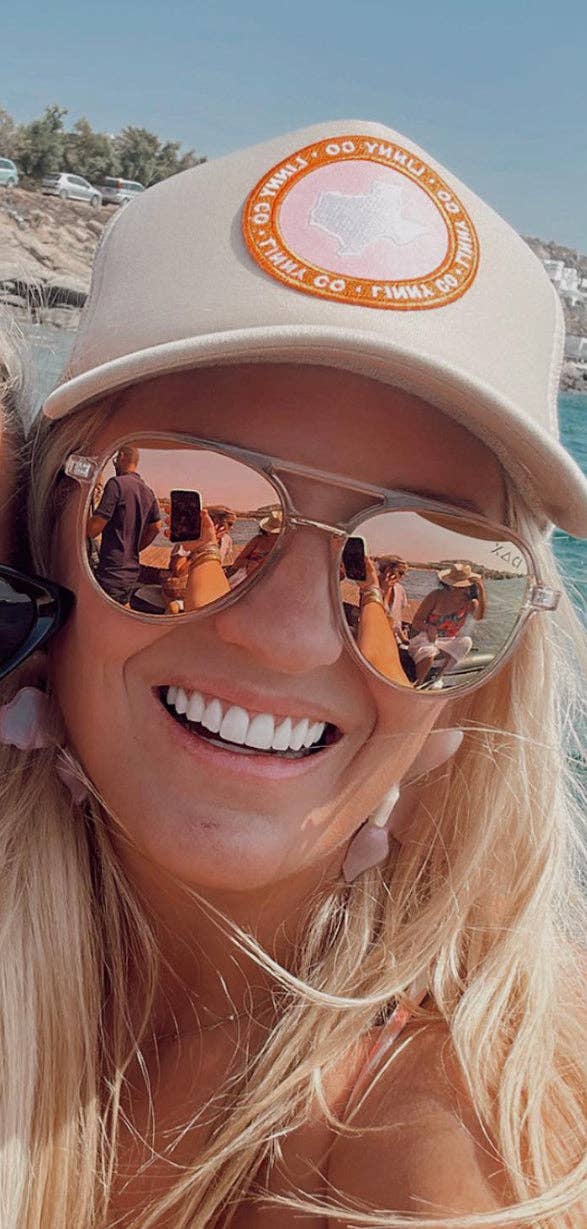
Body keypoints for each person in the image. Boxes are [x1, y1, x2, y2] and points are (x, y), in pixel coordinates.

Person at [0, 119, 585, 1229]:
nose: (291, 639)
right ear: (48, 533)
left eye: (430, 573)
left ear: (473, 680)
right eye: (188, 511)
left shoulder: (457, 1135)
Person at [86, 443, 162, 605]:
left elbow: (93, 530)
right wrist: (133, 548)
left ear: (121, 457)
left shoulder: (116, 484)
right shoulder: (148, 492)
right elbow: (156, 527)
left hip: (111, 572)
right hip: (131, 573)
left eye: (116, 460)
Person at [409, 562, 486, 686]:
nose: (456, 588)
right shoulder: (435, 596)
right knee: (429, 652)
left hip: (447, 641)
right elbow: (416, 622)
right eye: (454, 585)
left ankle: (439, 677)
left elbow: (479, 617)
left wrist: (481, 591)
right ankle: (419, 683)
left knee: (466, 642)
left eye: (461, 586)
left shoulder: (470, 603)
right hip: (425, 638)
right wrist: (429, 627)